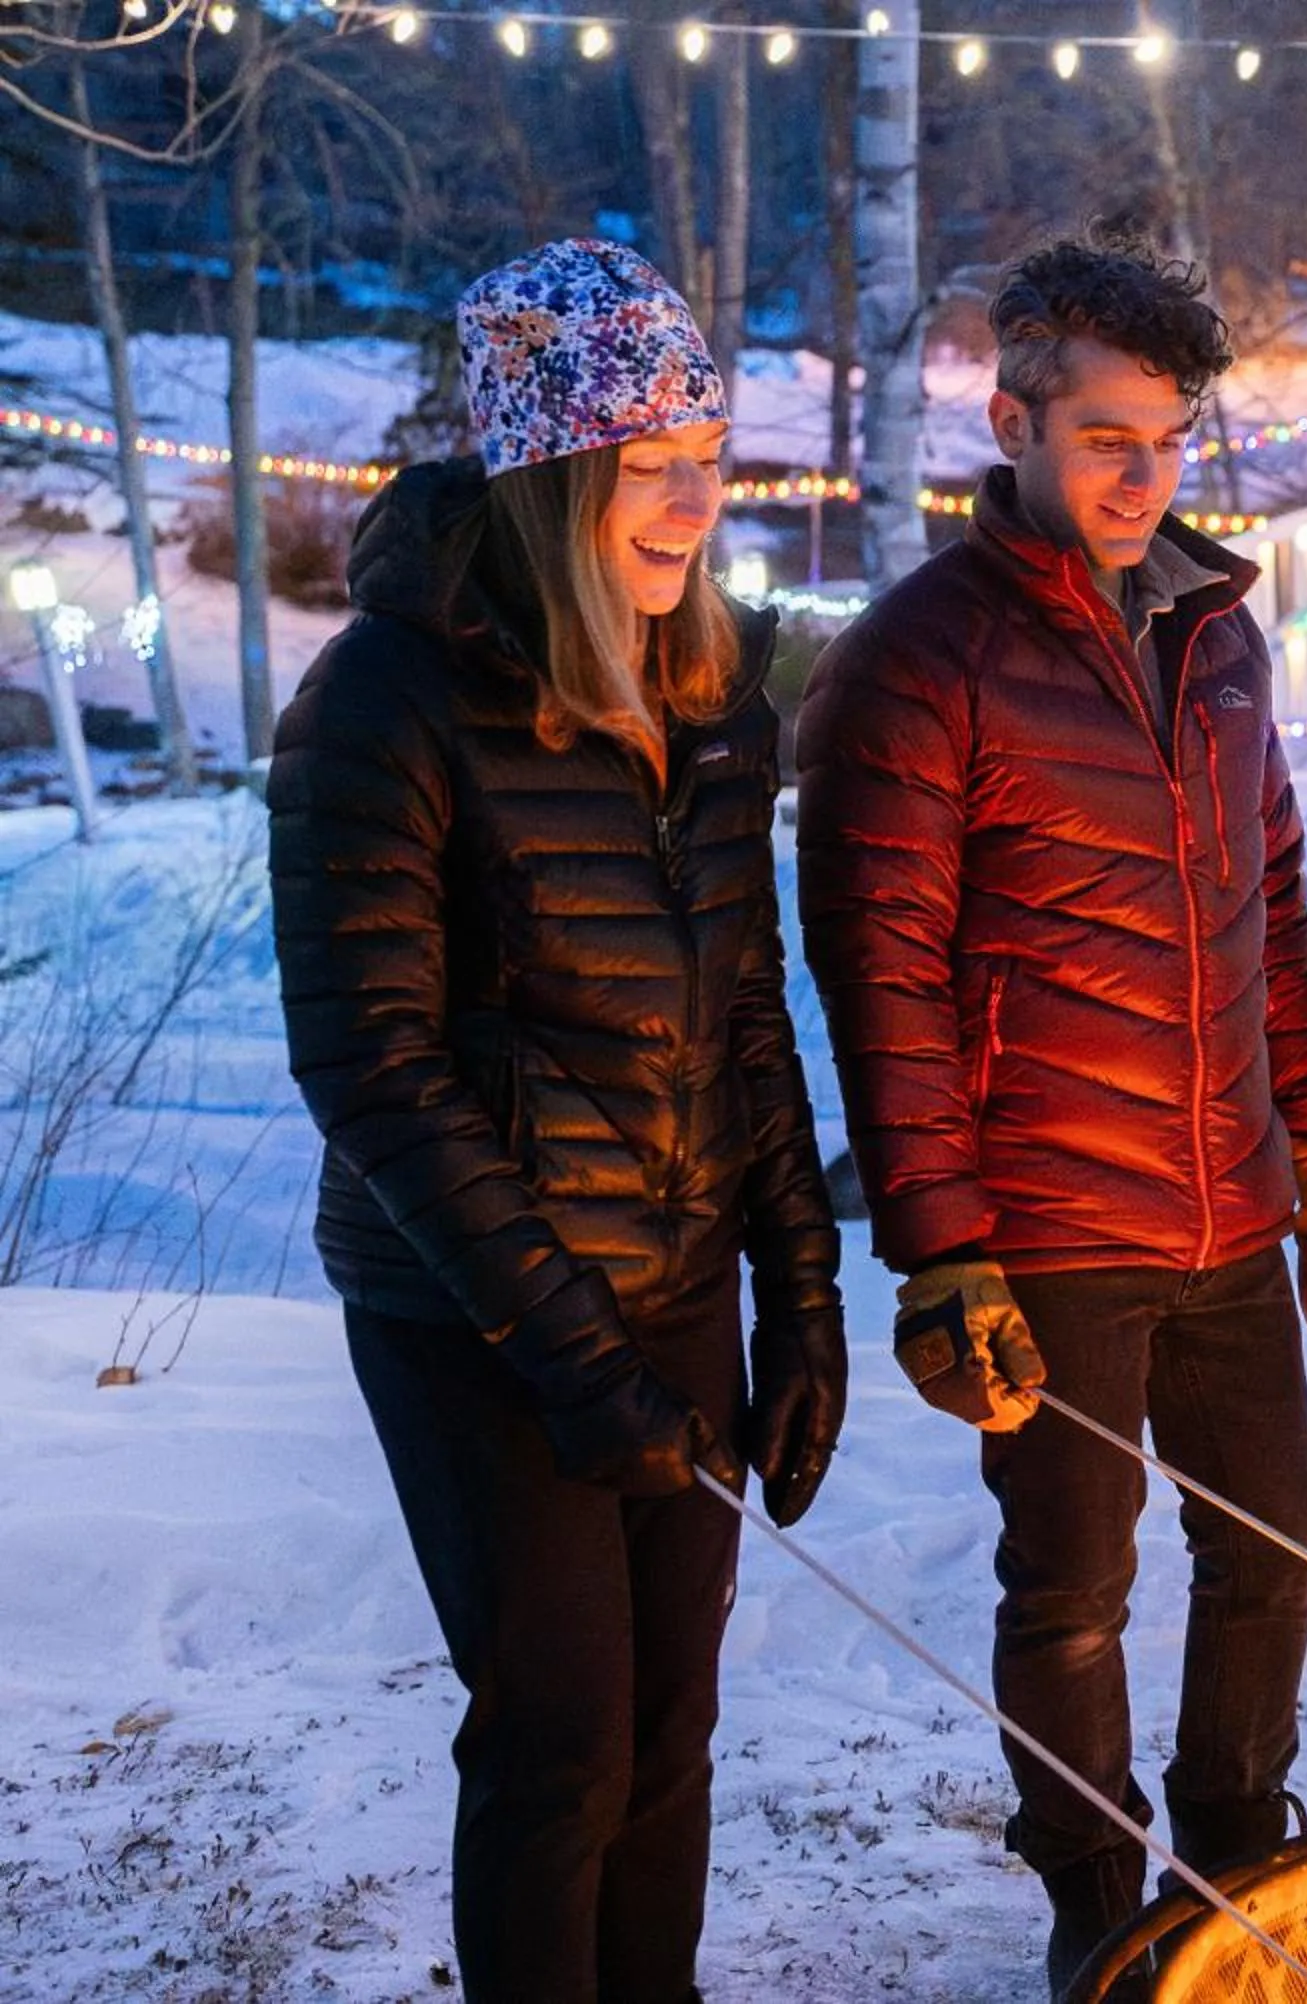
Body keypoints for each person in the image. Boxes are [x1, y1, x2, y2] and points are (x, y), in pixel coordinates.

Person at [794, 226, 1307, 1988]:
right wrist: (939, 1253)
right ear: (1018, 416)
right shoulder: (924, 657)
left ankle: (1232, 1856)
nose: (1145, 474)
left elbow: (1270, 909)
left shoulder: (1218, 638)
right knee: (1073, 1588)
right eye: (1109, 435)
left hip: (1230, 1202)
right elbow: (880, 973)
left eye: (1172, 436)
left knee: (1272, 1553)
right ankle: (1094, 1892)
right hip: (1047, 1222)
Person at [269, 238, 848, 2002]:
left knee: (672, 1729)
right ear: (552, 476)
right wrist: (569, 1356)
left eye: (708, 461)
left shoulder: (713, 693)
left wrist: (803, 1293)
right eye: (647, 467)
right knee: (563, 1741)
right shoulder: (388, 701)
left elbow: (743, 1010)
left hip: (672, 1288)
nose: (691, 506)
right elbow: (369, 1061)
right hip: (478, 1316)